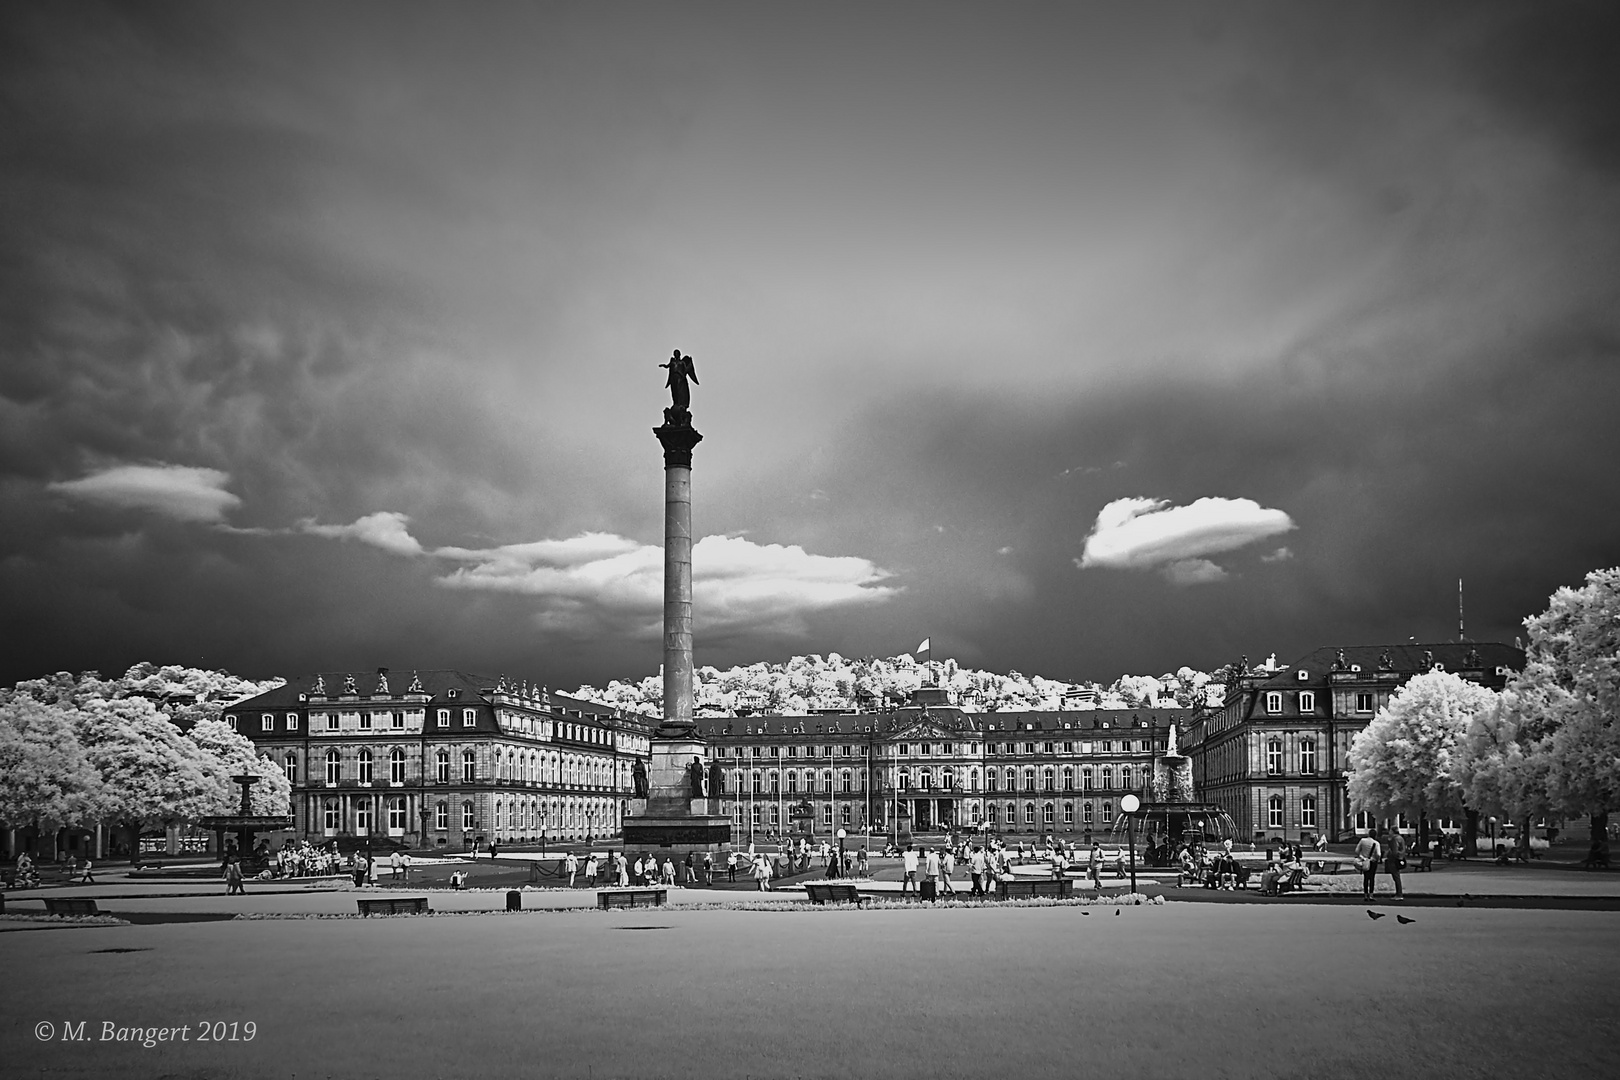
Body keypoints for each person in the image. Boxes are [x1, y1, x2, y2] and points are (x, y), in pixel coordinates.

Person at [1354, 830, 1383, 902]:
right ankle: (1371, 894)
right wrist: (1376, 859)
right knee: (1372, 878)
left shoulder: (1362, 841)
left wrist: (1362, 857)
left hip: (1364, 861)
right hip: (1372, 862)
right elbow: (1378, 854)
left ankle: (1365, 894)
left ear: (1369, 834)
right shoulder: (1376, 843)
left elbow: (1357, 851)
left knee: (1366, 877)